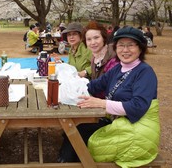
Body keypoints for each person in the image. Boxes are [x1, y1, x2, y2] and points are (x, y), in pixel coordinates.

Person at [58, 26, 160, 167]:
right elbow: (94, 86)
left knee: (80, 134)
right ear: (115, 47)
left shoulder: (145, 72)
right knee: (76, 129)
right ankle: (68, 162)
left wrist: (102, 103)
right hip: (116, 120)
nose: (125, 50)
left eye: (130, 45)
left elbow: (137, 107)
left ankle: (68, 162)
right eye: (121, 45)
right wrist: (66, 89)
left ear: (140, 48)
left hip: (137, 129)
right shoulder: (118, 68)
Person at [83, 20, 119, 97]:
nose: (93, 42)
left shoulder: (114, 59)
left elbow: (111, 89)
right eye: (89, 39)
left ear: (104, 38)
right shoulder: (94, 57)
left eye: (96, 38)